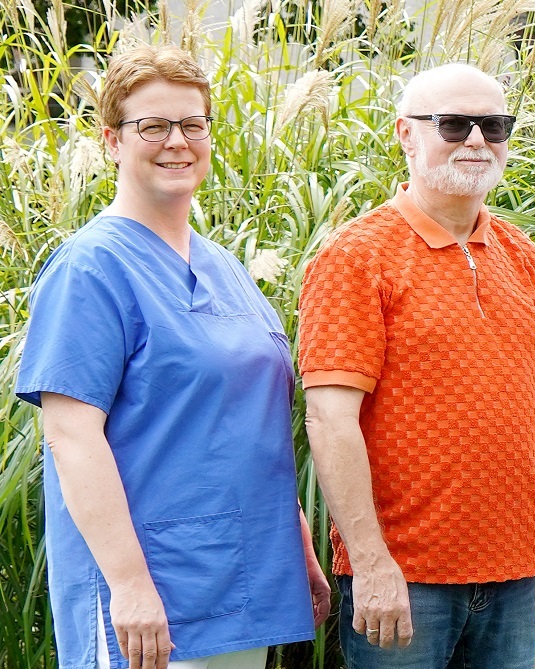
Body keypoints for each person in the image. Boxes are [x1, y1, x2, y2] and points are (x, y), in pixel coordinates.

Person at [15, 45, 328, 669]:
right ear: (111, 141)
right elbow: (72, 436)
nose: (176, 142)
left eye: (192, 124)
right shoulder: (92, 267)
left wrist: (300, 551)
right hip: (150, 595)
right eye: (152, 127)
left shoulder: (226, 269)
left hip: (248, 579)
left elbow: (248, 426)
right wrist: (129, 586)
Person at [297, 63, 535, 668]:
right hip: (404, 580)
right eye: (453, 124)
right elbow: (329, 418)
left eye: (494, 126)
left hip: (513, 575)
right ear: (406, 134)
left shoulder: (523, 256)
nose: (477, 140)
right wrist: (370, 564)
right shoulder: (356, 258)